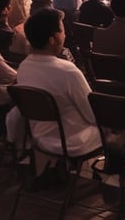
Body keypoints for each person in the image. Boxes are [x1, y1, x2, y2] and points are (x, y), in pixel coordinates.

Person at [7, 8, 102, 156]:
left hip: (40, 137)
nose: (65, 36)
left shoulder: (24, 66)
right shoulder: (68, 71)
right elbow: (91, 114)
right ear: (52, 40)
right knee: (120, 129)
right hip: (73, 142)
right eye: (62, 31)